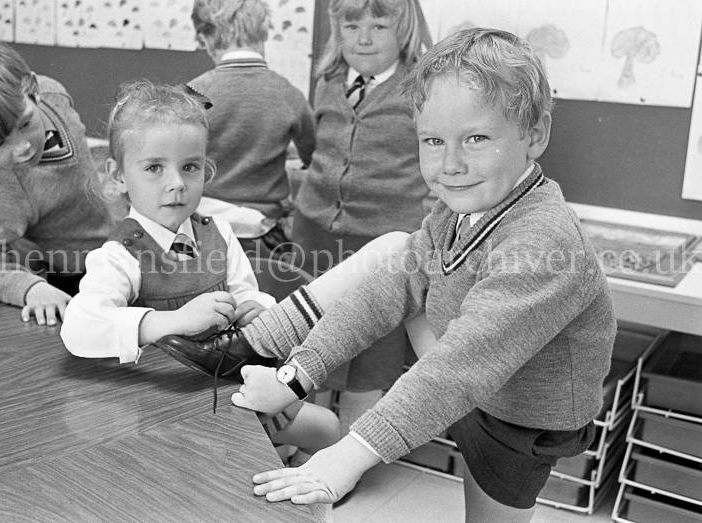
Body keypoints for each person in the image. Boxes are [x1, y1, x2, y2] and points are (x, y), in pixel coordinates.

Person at [156, 28, 617, 522]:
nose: (451, 164)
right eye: (433, 141)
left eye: (476, 139)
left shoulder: (544, 243)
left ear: (536, 135)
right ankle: (257, 345)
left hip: (518, 418)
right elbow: (381, 294)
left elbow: (459, 367)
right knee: (394, 256)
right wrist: (295, 377)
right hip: (465, 374)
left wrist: (347, 457)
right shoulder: (460, 206)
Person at [60, 80, 340, 458]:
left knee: (329, 429)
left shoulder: (219, 232)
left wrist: (257, 308)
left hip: (233, 388)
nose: (176, 184)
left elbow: (247, 291)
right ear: (118, 176)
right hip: (163, 410)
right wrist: (171, 322)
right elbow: (78, 328)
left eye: (189, 167)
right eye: (154, 168)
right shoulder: (119, 256)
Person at [290, 0, 434, 434]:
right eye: (352, 26)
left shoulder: (423, 89)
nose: (364, 39)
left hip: (383, 242)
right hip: (314, 235)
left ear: (403, 29)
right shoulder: (329, 81)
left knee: (373, 348)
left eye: (379, 26)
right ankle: (301, 438)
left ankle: (352, 448)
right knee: (308, 339)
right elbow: (317, 149)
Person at [0, 36, 122, 326]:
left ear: (33, 90)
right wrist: (31, 289)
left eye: (26, 123)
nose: (23, 147)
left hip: (115, 241)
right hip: (72, 278)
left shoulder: (52, 93)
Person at [188, 0, 316, 255]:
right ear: (265, 30)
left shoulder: (192, 94)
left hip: (200, 230)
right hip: (264, 234)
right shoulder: (288, 94)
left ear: (204, 39)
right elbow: (314, 157)